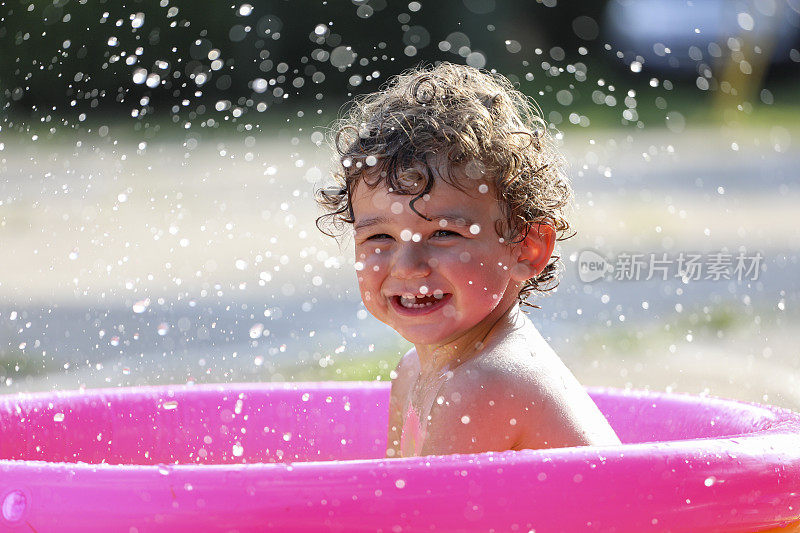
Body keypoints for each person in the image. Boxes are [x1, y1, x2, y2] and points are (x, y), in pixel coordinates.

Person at [316, 62, 620, 458]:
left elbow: (418, 519)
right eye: (379, 237)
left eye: (443, 233)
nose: (407, 265)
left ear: (527, 249)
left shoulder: (484, 384)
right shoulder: (411, 371)